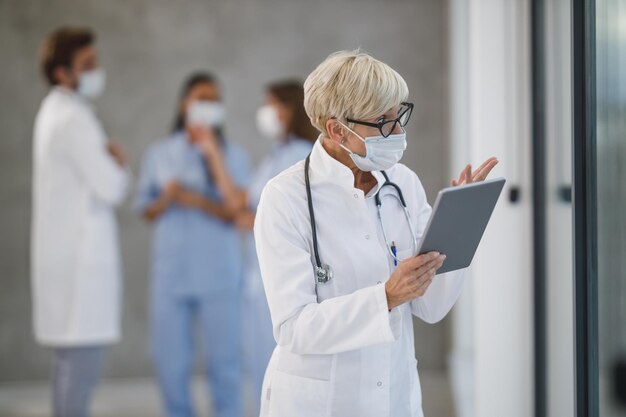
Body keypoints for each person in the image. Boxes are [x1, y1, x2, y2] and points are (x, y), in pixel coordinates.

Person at [252, 50, 499, 417]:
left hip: (393, 395)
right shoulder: (285, 198)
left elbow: (430, 307)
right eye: (382, 121)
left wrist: (461, 228)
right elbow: (293, 328)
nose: (398, 131)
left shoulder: (403, 183)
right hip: (320, 402)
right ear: (337, 129)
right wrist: (384, 297)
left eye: (399, 115)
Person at [189, 80, 317, 414]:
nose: (265, 112)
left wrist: (249, 217)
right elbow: (239, 204)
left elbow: (271, 216)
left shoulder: (300, 155)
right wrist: (214, 153)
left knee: (281, 363)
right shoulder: (276, 155)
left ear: (287, 110)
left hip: (282, 276)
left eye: (270, 104)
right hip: (259, 278)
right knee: (262, 362)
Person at [134, 72, 249, 417]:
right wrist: (166, 200)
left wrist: (191, 197)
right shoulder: (160, 153)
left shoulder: (233, 156)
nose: (208, 106)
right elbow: (147, 210)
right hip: (172, 275)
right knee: (170, 364)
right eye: (201, 98)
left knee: (226, 363)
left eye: (215, 100)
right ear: (184, 104)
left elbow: (237, 212)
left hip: (219, 273)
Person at [31, 26, 129, 417]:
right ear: (62, 73)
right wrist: (118, 162)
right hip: (79, 264)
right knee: (80, 366)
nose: (96, 70)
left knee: (69, 364)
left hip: (68, 258)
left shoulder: (57, 112)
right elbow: (112, 186)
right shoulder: (73, 118)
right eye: (87, 64)